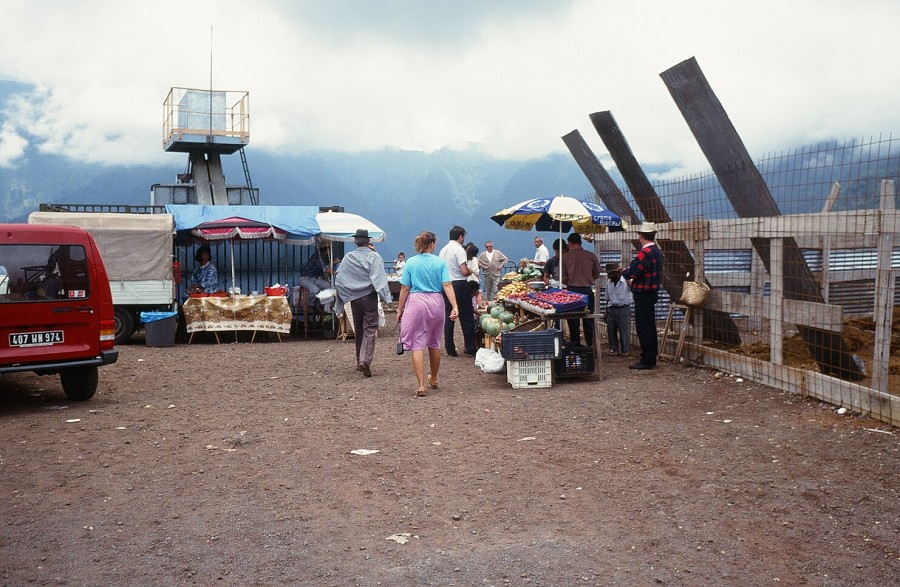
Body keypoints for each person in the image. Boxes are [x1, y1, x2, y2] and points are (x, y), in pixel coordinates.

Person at [397, 231, 459, 397]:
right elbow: (446, 284)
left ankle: (421, 384)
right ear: (432, 244)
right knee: (434, 342)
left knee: (417, 343)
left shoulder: (410, 262)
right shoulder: (440, 263)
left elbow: (404, 288)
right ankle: (434, 378)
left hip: (417, 302)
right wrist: (455, 306)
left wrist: (399, 309)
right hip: (436, 303)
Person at [334, 229, 393, 378]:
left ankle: (358, 361)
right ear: (369, 241)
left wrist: (340, 301)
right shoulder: (374, 257)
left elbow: (339, 277)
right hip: (369, 296)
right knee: (370, 328)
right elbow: (379, 279)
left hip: (353, 298)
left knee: (358, 328)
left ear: (355, 241)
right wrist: (387, 299)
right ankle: (365, 360)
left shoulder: (348, 257)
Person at [622, 221, 664, 370]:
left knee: (643, 326)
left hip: (643, 293)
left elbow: (632, 272)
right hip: (652, 291)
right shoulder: (656, 251)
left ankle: (646, 359)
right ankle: (651, 355)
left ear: (642, 236)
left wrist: (623, 271)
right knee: (650, 325)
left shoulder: (645, 252)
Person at [438, 225, 476, 357]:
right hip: (459, 284)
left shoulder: (442, 250)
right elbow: (464, 270)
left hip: (445, 284)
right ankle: (470, 348)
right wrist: (470, 271)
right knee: (466, 316)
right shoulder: (459, 250)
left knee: (449, 315)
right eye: (463, 236)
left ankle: (450, 348)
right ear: (460, 236)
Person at [561, 233, 602, 347]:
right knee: (588, 321)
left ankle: (575, 347)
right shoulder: (591, 256)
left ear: (569, 243)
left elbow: (562, 278)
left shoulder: (565, 258)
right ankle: (591, 348)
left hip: (571, 293)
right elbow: (597, 274)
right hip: (587, 292)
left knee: (573, 321)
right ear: (580, 242)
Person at [604, 262, 632, 356]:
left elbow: (633, 288)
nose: (609, 275)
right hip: (612, 308)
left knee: (624, 330)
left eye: (611, 273)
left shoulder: (625, 281)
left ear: (617, 273)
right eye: (608, 274)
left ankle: (625, 349)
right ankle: (613, 348)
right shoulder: (609, 283)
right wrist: (606, 312)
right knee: (611, 330)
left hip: (623, 308)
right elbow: (607, 299)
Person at [465, 242, 483, 308]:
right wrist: (478, 278)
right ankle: (478, 305)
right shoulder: (474, 259)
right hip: (474, 278)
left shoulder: (466, 259)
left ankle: (471, 306)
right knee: (478, 293)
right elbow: (476, 271)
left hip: (468, 278)